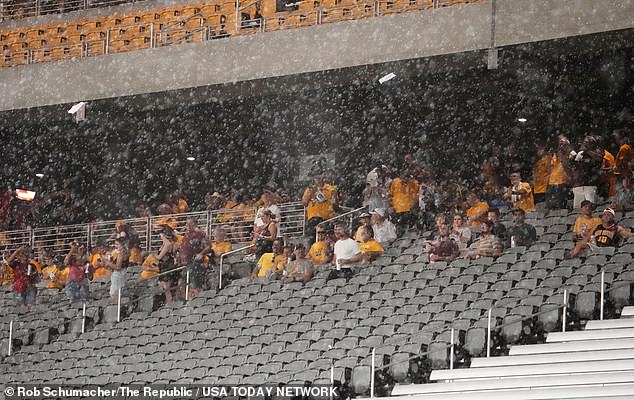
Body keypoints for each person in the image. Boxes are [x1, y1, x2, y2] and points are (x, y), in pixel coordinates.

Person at [569, 208, 634, 258]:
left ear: (613, 217)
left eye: (608, 215)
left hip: (608, 248)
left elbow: (627, 234)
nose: (606, 216)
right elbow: (587, 238)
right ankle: (569, 258)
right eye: (604, 215)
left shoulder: (617, 228)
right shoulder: (597, 227)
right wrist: (580, 242)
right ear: (602, 217)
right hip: (596, 247)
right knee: (579, 245)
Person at [569, 135, 603, 208]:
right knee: (577, 207)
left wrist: (587, 151)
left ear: (592, 144)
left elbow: (599, 159)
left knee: (590, 207)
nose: (585, 144)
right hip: (579, 185)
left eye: (587, 142)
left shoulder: (597, 152)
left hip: (591, 184)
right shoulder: (580, 153)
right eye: (584, 142)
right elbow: (575, 167)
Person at [302, 173, 338, 241]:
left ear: (322, 176)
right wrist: (311, 192)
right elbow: (304, 203)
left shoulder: (330, 188)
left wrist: (335, 196)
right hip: (313, 219)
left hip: (327, 218)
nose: (317, 178)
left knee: (327, 240)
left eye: (319, 175)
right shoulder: (310, 188)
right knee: (311, 240)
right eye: (315, 176)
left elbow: (335, 205)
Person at [155, 226, 179, 302]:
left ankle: (170, 303)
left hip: (166, 266)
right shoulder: (166, 243)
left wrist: (152, 256)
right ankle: (168, 302)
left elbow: (159, 257)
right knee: (165, 288)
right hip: (163, 266)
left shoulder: (168, 244)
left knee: (166, 288)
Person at [545, 136, 570, 209]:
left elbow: (568, 167)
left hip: (562, 183)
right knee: (549, 206)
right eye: (560, 145)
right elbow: (549, 170)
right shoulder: (554, 156)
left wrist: (562, 157)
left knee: (560, 206)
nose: (561, 147)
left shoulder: (570, 154)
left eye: (563, 145)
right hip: (552, 183)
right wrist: (549, 158)